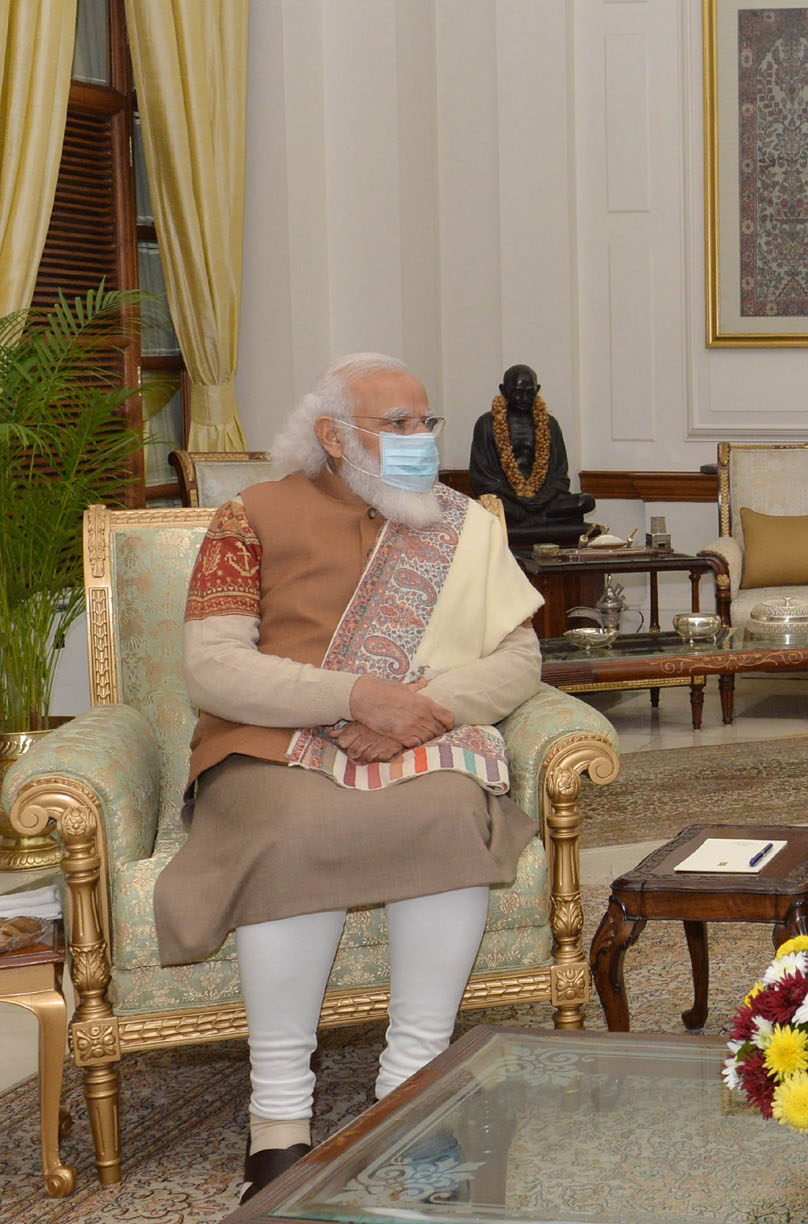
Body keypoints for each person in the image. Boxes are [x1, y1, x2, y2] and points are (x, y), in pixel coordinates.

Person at [154, 353, 545, 1200]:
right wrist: (354, 697)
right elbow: (212, 669)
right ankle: (279, 1122)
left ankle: (415, 1091)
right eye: (396, 424)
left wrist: (424, 709)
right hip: (273, 740)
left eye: (426, 422)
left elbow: (521, 657)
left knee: (447, 811)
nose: (419, 440)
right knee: (297, 831)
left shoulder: (461, 525)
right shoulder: (249, 517)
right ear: (333, 436)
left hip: (415, 731)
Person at [466, 363, 595, 544]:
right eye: (517, 392)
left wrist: (544, 497)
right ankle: (537, 518)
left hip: (545, 501)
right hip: (508, 501)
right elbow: (483, 479)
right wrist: (518, 499)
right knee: (490, 508)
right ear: (503, 390)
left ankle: (531, 518)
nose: (523, 398)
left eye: (529, 392)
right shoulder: (487, 424)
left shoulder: (549, 425)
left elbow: (559, 476)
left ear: (538, 390)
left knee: (585, 502)